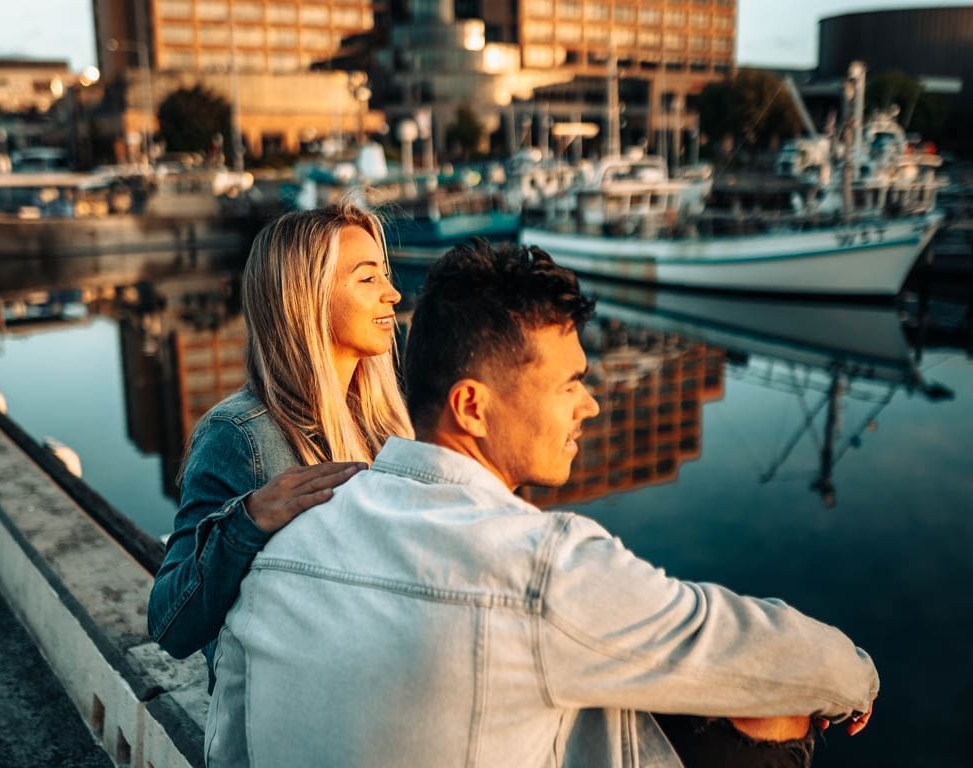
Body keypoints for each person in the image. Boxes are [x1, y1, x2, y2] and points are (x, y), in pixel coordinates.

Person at [206, 241, 878, 768]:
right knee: (771, 706)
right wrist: (857, 675)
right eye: (570, 385)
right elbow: (743, 643)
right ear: (472, 407)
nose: (590, 405)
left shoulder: (287, 542)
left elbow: (227, 747)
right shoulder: (541, 565)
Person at [147, 203, 413, 689]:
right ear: (306, 299)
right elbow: (170, 624)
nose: (392, 293)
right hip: (279, 715)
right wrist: (246, 522)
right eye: (367, 278)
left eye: (386, 275)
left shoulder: (386, 425)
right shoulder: (238, 436)